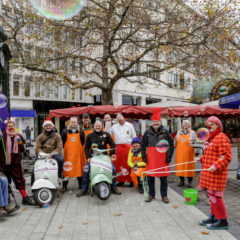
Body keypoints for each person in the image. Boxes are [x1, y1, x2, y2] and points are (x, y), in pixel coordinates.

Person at [198, 116, 231, 230]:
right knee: (211, 196)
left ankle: (223, 220)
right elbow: (212, 154)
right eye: (208, 124)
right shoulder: (212, 138)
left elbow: (226, 157)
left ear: (218, 125)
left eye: (212, 124)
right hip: (209, 174)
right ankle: (214, 217)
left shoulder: (222, 137)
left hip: (217, 174)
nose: (209, 126)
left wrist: (216, 166)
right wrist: (201, 158)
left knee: (216, 197)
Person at [76, 121, 121, 197]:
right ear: (94, 126)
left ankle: (113, 188)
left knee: (113, 169)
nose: (98, 127)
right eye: (96, 125)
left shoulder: (106, 135)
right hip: (93, 157)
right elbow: (86, 148)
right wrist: (88, 157)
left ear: (101, 126)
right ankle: (84, 189)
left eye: (99, 125)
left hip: (104, 157)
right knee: (85, 170)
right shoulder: (90, 136)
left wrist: (112, 154)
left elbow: (113, 145)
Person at [141, 108, 174, 203]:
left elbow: (171, 145)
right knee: (150, 177)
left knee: (163, 178)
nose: (156, 123)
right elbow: (143, 145)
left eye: (157, 121)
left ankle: (164, 195)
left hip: (163, 158)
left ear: (160, 122)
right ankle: (151, 194)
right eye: (154, 121)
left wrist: (169, 157)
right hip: (151, 158)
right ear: (152, 122)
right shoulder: (147, 132)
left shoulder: (165, 132)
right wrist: (144, 157)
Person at [0, 118, 34, 205]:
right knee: (6, 181)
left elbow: (22, 150)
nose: (10, 127)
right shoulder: (2, 135)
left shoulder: (18, 136)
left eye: (12, 126)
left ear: (15, 126)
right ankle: (6, 198)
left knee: (19, 180)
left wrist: (20, 143)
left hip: (16, 163)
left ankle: (25, 198)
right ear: (6, 127)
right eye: (8, 126)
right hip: (5, 163)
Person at [108, 114, 136, 187]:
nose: (121, 121)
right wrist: (108, 122)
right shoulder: (114, 126)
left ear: (124, 118)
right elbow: (107, 132)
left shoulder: (130, 125)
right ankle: (121, 180)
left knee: (129, 163)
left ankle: (131, 181)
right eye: (119, 120)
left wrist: (135, 147)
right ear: (117, 120)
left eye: (122, 120)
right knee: (119, 164)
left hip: (128, 147)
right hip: (118, 148)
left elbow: (134, 136)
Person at [61, 116, 85, 192]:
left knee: (79, 169)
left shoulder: (81, 131)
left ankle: (80, 184)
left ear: (77, 123)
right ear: (69, 122)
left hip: (78, 154)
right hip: (68, 154)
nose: (73, 123)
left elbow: (82, 141)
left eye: (75, 122)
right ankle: (64, 186)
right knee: (66, 169)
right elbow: (63, 141)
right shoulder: (64, 131)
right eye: (72, 122)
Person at [174, 120, 197, 187]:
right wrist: (174, 145)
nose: (185, 125)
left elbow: (196, 142)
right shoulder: (178, 132)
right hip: (180, 154)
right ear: (182, 125)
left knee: (189, 167)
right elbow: (175, 142)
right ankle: (181, 181)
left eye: (187, 123)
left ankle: (190, 182)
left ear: (189, 125)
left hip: (189, 154)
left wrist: (192, 143)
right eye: (184, 123)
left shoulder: (192, 133)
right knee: (180, 167)